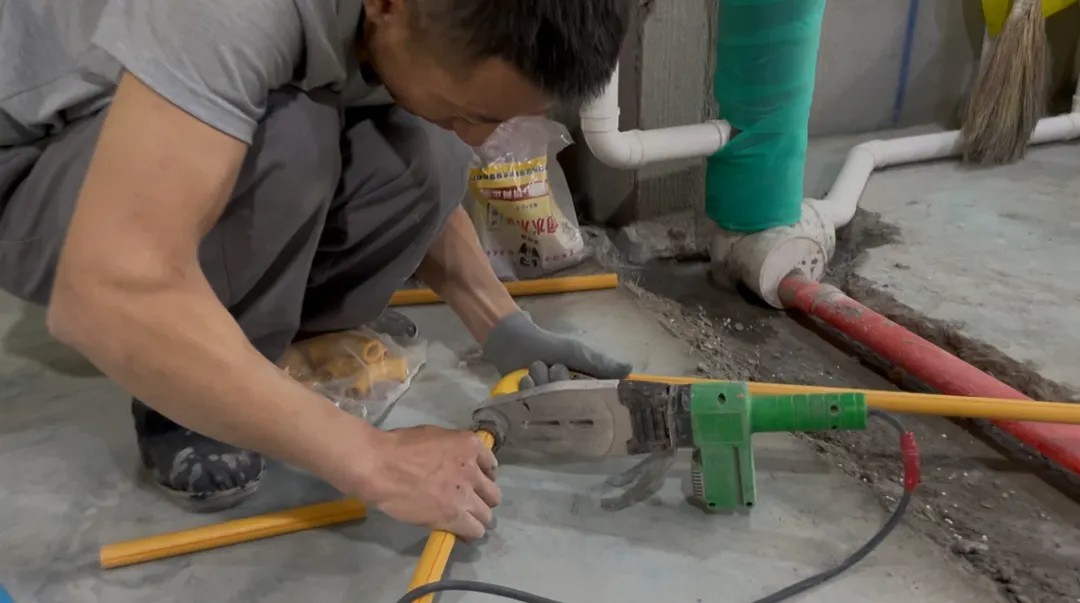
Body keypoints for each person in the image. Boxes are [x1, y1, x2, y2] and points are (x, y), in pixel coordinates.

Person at [0, 0, 633, 540]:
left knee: (430, 149)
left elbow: (430, 146)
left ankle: (235, 340)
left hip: (143, 141)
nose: (478, 138)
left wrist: (500, 325)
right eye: (471, 111)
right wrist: (371, 460)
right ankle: (186, 394)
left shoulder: (414, 23)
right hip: (33, 171)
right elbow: (105, 288)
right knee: (291, 136)